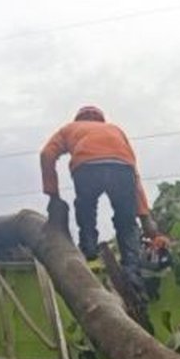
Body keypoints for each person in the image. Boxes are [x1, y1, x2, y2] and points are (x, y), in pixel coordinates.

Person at [40, 106, 156, 284]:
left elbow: (47, 154)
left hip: (87, 167)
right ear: (101, 120)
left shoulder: (69, 128)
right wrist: (145, 217)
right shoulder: (115, 130)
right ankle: (132, 270)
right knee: (126, 221)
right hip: (122, 168)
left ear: (78, 119)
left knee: (86, 207)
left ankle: (89, 250)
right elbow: (135, 174)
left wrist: (53, 194)